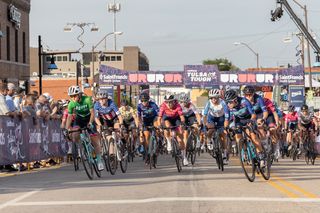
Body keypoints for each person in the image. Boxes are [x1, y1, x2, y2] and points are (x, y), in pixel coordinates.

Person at [224, 89, 266, 168]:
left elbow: (253, 115)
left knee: (253, 137)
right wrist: (226, 128)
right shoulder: (227, 107)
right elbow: (226, 120)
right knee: (238, 138)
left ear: (235, 100)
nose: (228, 104)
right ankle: (245, 150)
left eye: (230, 102)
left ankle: (261, 156)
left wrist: (251, 121)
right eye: (227, 102)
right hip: (238, 120)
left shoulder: (245, 101)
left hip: (248, 118)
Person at [66, 86, 104, 171]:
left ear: (79, 94)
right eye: (71, 96)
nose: (73, 98)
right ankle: (83, 145)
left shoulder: (87, 99)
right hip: (79, 119)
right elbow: (69, 117)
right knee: (75, 135)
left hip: (89, 118)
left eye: (74, 95)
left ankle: (99, 161)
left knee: (95, 140)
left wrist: (90, 123)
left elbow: (92, 113)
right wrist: (67, 128)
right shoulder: (71, 103)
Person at [158, 94, 187, 165]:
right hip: (167, 118)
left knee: (180, 137)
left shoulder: (178, 105)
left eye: (170, 102)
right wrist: (159, 126)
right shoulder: (163, 105)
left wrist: (182, 123)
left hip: (176, 118)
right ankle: (169, 142)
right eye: (167, 102)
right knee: (166, 127)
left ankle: (184, 156)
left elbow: (182, 117)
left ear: (174, 101)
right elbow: (159, 118)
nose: (169, 104)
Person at [203, 89, 229, 164]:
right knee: (210, 130)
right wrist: (205, 125)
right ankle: (209, 140)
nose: (213, 99)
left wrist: (226, 126)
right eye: (211, 98)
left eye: (215, 97)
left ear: (218, 97)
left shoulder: (223, 103)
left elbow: (227, 115)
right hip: (211, 118)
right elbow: (204, 116)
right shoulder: (208, 103)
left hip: (221, 118)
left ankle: (224, 154)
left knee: (223, 135)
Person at [137, 92, 159, 165]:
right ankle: (148, 152)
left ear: (148, 100)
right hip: (145, 121)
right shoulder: (139, 106)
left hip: (154, 119)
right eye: (142, 101)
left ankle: (158, 140)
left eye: (145, 100)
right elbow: (139, 117)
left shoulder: (153, 105)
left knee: (157, 127)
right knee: (146, 136)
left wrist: (159, 125)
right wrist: (140, 125)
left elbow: (159, 115)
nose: (144, 102)